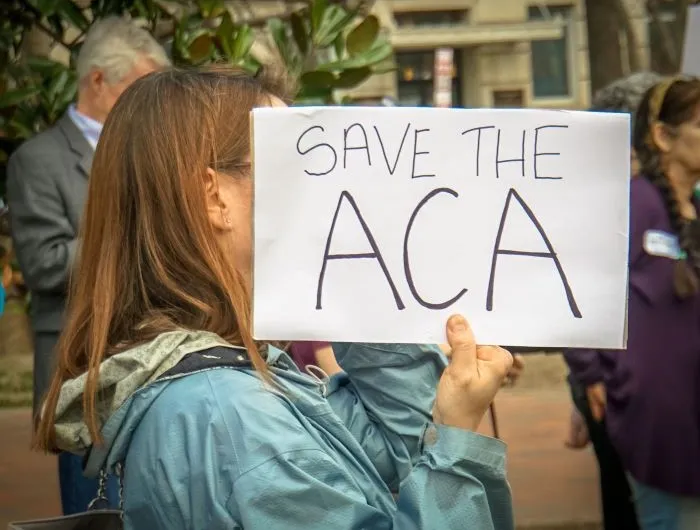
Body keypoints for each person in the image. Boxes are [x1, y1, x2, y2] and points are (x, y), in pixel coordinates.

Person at [33, 66, 515, 529]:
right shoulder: (230, 415)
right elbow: (414, 457)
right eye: (294, 163)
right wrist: (459, 440)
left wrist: (364, 285)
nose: (320, 186)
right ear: (214, 195)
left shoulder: (221, 383)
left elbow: (391, 450)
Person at [6, 16, 170, 515]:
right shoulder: (38, 159)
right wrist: (131, 226)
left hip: (155, 365)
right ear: (97, 80)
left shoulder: (153, 148)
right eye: (139, 88)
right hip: (85, 372)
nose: (149, 104)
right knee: (96, 516)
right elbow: (44, 265)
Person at [568, 76, 700, 530]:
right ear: (663, 136)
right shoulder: (631, 206)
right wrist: (593, 373)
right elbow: (580, 289)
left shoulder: (694, 209)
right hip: (657, 416)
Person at [563, 71, 661, 530]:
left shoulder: (670, 200)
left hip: (654, 383)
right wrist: (589, 375)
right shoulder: (596, 203)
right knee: (625, 495)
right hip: (610, 380)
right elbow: (573, 291)